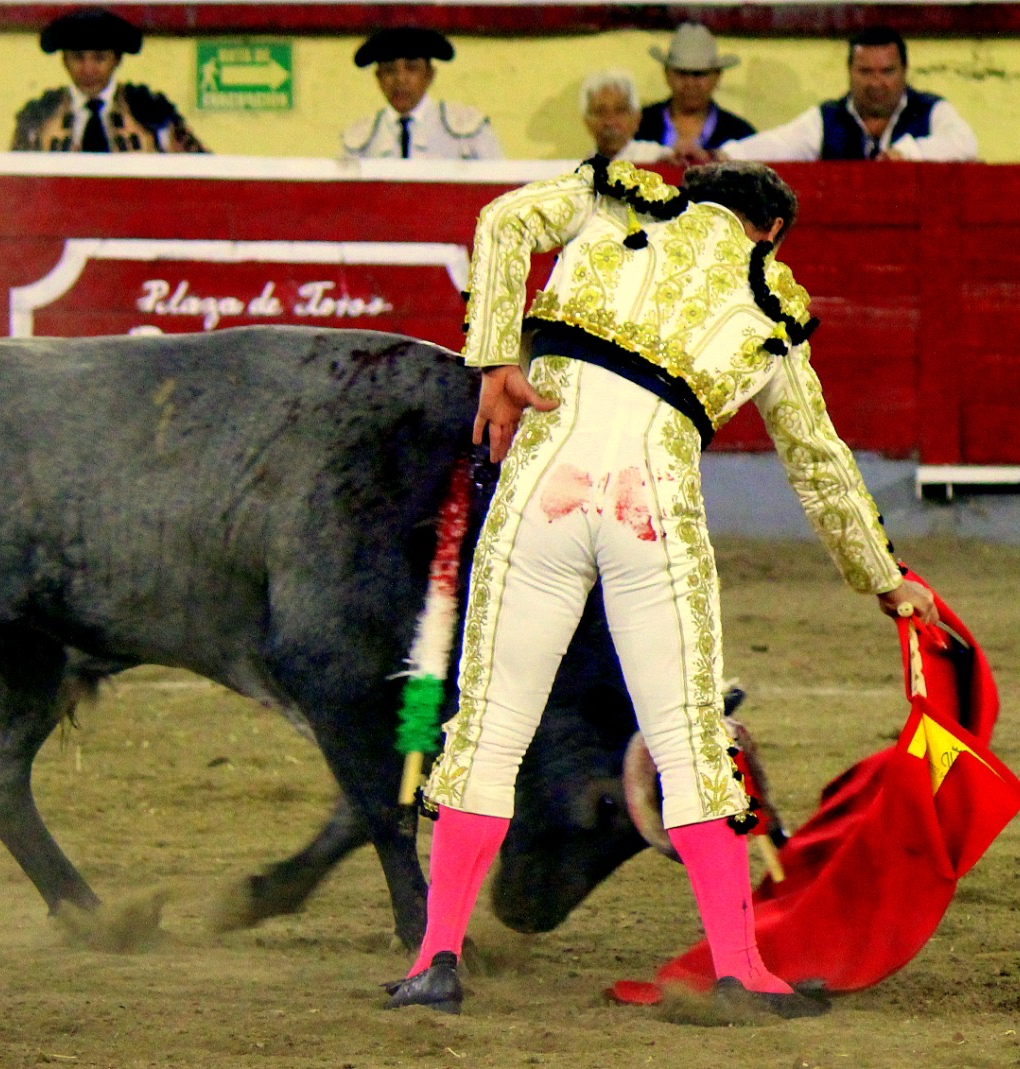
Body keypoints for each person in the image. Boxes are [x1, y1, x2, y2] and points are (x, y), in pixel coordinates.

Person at [380, 158, 938, 1017]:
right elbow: (818, 461)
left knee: (488, 729)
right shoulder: (769, 305)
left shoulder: (614, 203)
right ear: (769, 233)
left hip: (542, 491)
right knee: (689, 743)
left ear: (691, 191)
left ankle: (435, 963)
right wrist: (885, 579)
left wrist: (493, 360)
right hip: (652, 511)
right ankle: (741, 969)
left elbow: (502, 222)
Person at [710, 25, 976, 162]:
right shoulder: (828, 118)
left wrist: (907, 153)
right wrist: (723, 155)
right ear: (849, 71)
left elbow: (965, 143)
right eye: (865, 72)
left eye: (887, 72)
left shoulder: (931, 110)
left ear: (905, 72)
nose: (876, 83)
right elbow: (780, 143)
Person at [12, 6, 205, 154]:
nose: (88, 69)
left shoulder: (152, 111)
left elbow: (198, 169)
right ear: (64, 61)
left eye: (100, 58)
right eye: (78, 58)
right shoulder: (39, 115)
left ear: (117, 60)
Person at [341, 27, 502, 160]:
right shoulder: (361, 139)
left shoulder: (467, 131)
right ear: (378, 78)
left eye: (411, 68)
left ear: (429, 75)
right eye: (389, 70)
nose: (400, 79)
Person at [637, 24, 755, 158]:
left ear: (717, 76)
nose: (690, 84)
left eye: (699, 74)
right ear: (667, 74)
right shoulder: (638, 127)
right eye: (682, 73)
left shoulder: (740, 134)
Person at [580, 70, 666, 164]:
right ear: (586, 121)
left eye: (620, 111)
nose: (610, 121)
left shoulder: (658, 158)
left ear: (637, 118)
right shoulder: (581, 167)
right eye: (601, 112)